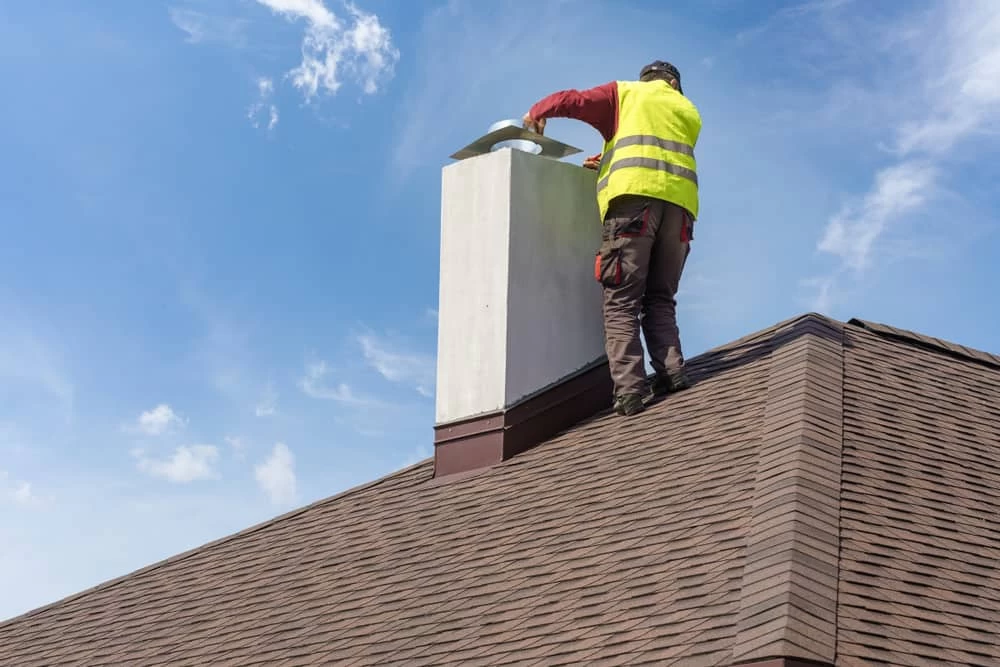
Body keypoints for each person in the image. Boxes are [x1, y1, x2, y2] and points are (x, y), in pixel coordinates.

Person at [522, 61, 701, 417]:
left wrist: (536, 111)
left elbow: (573, 100)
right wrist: (606, 159)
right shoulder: (687, 110)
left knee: (621, 300)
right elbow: (655, 152)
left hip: (633, 208)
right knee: (661, 298)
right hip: (679, 212)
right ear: (673, 83)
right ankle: (673, 373)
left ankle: (631, 390)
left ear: (646, 79)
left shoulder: (626, 93)